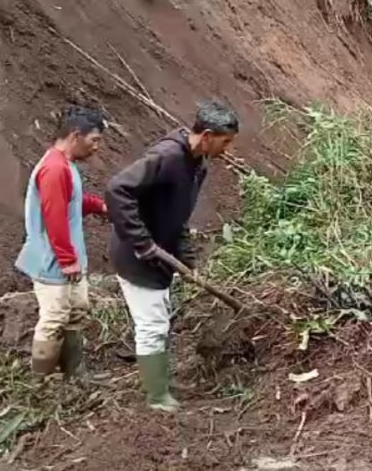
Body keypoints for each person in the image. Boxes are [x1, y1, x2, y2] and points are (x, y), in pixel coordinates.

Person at [105, 100, 239, 411]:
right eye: (225, 142)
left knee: (162, 318)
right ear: (206, 136)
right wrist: (141, 242)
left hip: (160, 255)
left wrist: (190, 263)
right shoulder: (166, 157)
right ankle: (156, 395)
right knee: (152, 325)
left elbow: (178, 218)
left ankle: (160, 380)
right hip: (136, 256)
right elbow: (117, 189)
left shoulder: (198, 166)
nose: (227, 150)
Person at [15, 107, 109, 383]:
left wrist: (99, 206)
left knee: (77, 309)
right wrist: (67, 259)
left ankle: (76, 373)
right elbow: (54, 217)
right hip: (51, 259)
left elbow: (72, 202)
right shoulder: (54, 168)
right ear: (76, 136)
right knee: (54, 317)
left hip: (65, 258)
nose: (96, 147)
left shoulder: (66, 166)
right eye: (94, 140)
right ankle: (39, 382)